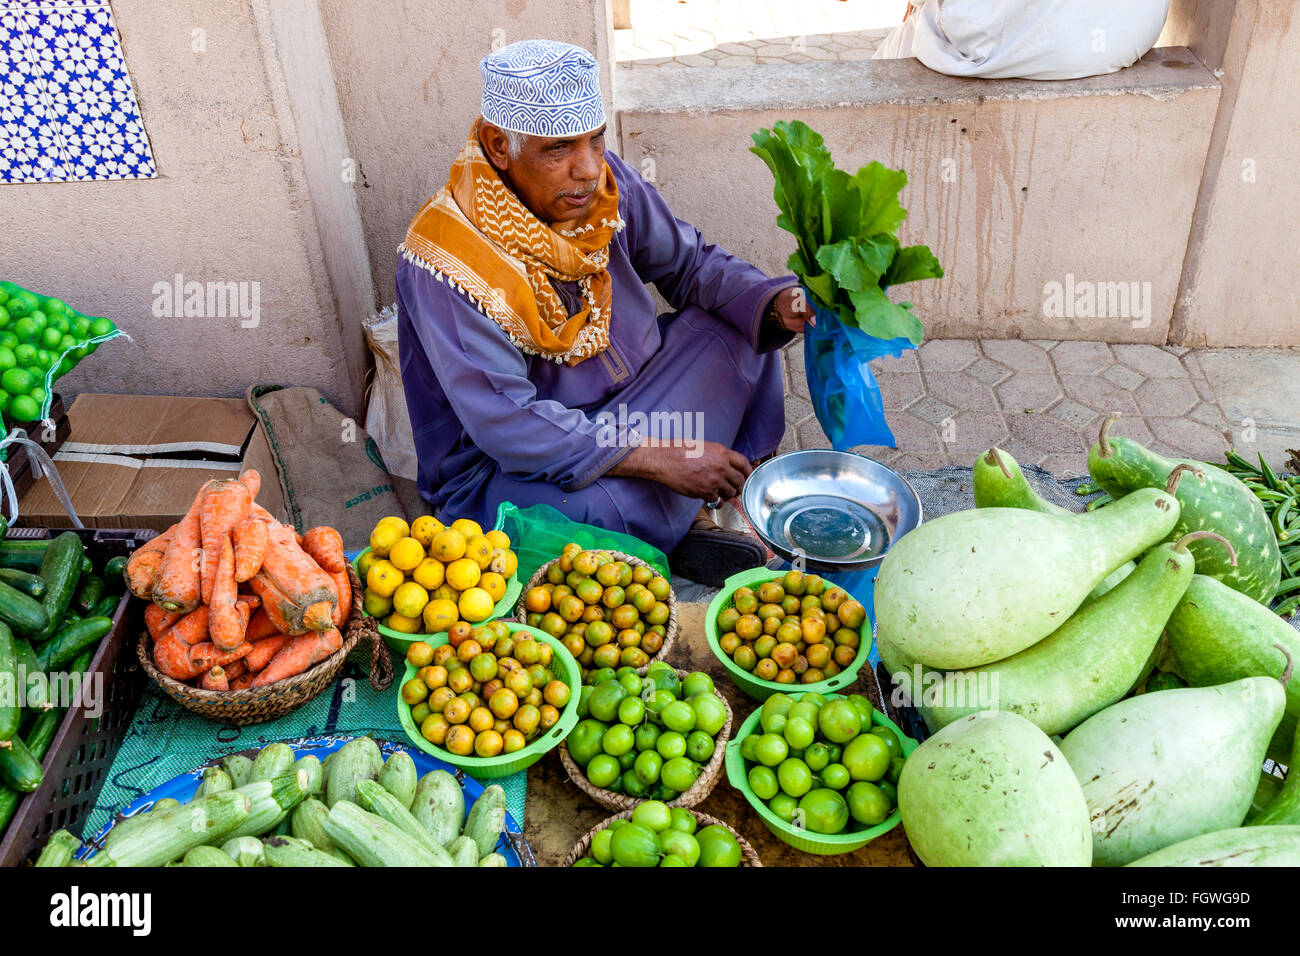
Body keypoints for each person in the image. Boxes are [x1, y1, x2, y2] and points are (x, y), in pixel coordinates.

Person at [396, 39, 810, 585]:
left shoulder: (600, 188)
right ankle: (682, 520)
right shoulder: (446, 262)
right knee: (580, 515)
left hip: (639, 400)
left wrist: (781, 303)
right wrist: (660, 457)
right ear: (500, 146)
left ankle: (688, 511)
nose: (587, 168)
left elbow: (691, 266)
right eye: (558, 149)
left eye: (596, 139)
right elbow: (509, 425)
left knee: (741, 323)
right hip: (517, 465)